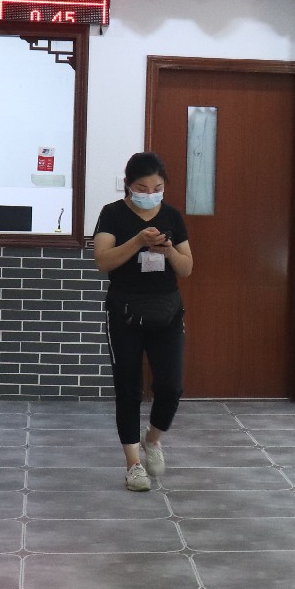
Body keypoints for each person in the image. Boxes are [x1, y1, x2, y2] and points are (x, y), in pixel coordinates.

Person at [92, 152, 193, 492]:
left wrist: (168, 251)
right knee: (128, 388)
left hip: (167, 310)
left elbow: (187, 268)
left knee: (171, 386)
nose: (150, 194)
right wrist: (137, 241)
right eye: (142, 188)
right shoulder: (112, 213)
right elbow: (103, 261)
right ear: (128, 185)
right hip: (124, 311)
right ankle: (133, 464)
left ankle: (153, 439)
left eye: (157, 188)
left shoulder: (172, 216)